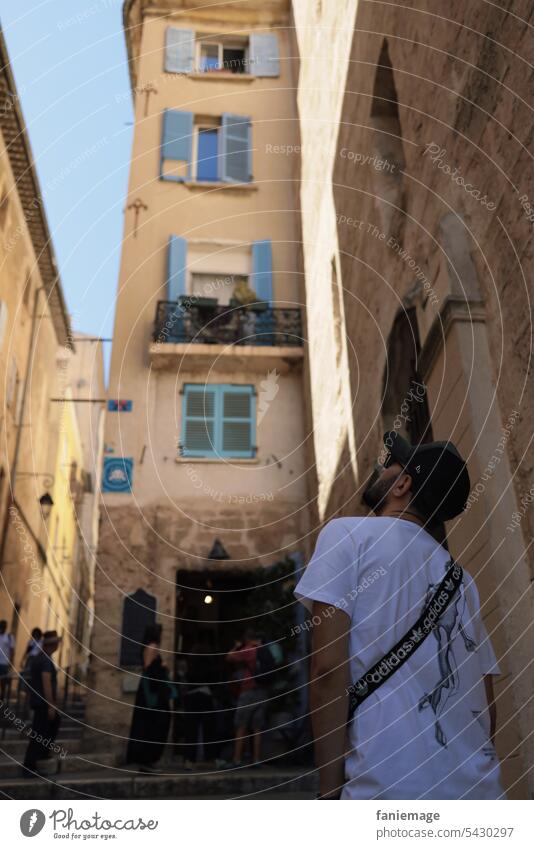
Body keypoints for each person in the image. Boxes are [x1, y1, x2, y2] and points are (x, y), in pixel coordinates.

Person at [295, 431, 504, 800]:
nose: (381, 468)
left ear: (403, 483)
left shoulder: (347, 535)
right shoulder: (463, 580)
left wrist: (329, 791)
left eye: (391, 464)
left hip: (388, 789)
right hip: (480, 793)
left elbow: (327, 669)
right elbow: (486, 701)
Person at [125, 623, 176, 773]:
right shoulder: (152, 647)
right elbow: (149, 668)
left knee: (151, 723)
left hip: (150, 689)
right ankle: (147, 760)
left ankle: (148, 760)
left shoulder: (149, 646)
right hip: (152, 691)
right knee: (155, 723)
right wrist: (163, 666)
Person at [22, 630, 62, 778]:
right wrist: (51, 705)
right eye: (57, 642)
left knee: (50, 726)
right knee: (39, 733)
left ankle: (42, 755)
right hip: (42, 703)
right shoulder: (45, 660)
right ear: (53, 644)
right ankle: (29, 766)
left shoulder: (40, 658)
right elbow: (46, 683)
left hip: (39, 702)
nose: (58, 644)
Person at [225, 629, 267, 768]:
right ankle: (256, 759)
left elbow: (229, 657)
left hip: (248, 690)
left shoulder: (248, 650)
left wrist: (237, 646)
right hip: (262, 690)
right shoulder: (264, 650)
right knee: (257, 727)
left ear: (247, 639)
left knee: (241, 725)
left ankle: (237, 759)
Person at [182, 642, 218, 767]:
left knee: (190, 729)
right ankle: (209, 758)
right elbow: (214, 679)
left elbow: (187, 677)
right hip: (205, 694)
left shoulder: (190, 663)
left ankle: (189, 760)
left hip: (191, 696)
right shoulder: (210, 664)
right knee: (209, 729)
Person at [0, 619, 15, 703]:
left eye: (3, 626)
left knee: (3, 681)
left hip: (4, 663)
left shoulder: (9, 637)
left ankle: (2, 696)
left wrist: (11, 662)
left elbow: (12, 650)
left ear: (5, 627)